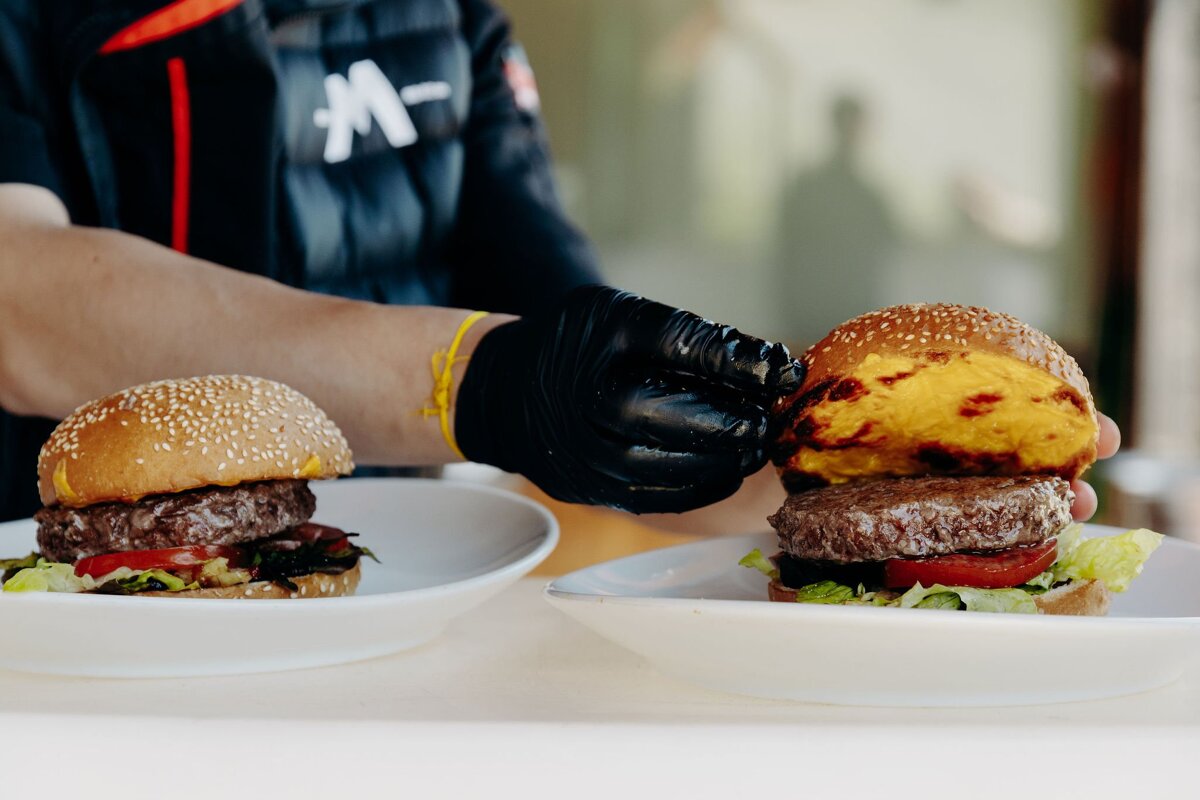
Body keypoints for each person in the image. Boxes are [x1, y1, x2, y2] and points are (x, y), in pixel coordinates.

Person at [0, 0, 1113, 525]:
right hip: (58, 618)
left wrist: (876, 474)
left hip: (383, 582)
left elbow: (582, 352)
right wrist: (482, 382)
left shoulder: (451, 22)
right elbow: (19, 296)